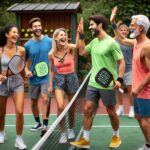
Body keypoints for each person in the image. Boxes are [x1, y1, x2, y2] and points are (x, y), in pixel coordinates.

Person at [70, 15, 125, 149]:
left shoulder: (112, 43)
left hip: (107, 84)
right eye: (89, 25)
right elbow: (82, 51)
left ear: (100, 25)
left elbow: (121, 62)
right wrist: (80, 34)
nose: (90, 27)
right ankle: (85, 140)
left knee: (111, 111)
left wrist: (119, 79)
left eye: (92, 25)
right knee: (88, 110)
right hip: (93, 83)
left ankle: (116, 136)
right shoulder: (94, 42)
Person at [110, 6, 150, 150]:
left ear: (141, 28)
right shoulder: (135, 43)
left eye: (133, 24)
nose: (130, 26)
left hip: (146, 92)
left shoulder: (147, 46)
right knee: (140, 118)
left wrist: (138, 88)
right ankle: (148, 144)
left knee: (146, 121)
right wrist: (113, 22)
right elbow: (121, 38)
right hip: (139, 92)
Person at [48, 28, 79, 143]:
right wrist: (50, 85)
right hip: (58, 79)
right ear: (55, 38)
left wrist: (79, 32)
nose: (64, 36)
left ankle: (71, 129)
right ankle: (63, 132)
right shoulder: (51, 54)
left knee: (72, 108)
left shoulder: (70, 48)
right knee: (60, 106)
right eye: (61, 35)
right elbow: (51, 70)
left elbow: (79, 46)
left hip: (72, 78)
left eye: (65, 35)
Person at [0, 25, 27, 149]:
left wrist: (26, 73)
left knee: (20, 112)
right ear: (7, 34)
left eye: (17, 32)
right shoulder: (0, 50)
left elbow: (22, 65)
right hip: (3, 84)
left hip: (17, 82)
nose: (16, 34)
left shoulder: (21, 50)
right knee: (1, 113)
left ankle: (19, 139)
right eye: (14, 32)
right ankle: (1, 133)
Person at [24, 17, 52, 136]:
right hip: (33, 77)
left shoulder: (50, 41)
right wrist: (26, 70)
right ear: (31, 29)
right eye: (35, 26)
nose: (38, 28)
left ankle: (45, 124)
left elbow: (56, 53)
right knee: (33, 100)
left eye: (39, 26)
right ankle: (38, 123)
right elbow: (24, 62)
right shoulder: (27, 45)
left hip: (46, 76)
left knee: (45, 98)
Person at [114, 23, 134, 118]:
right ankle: (121, 109)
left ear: (127, 31)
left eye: (124, 30)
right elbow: (110, 40)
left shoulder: (130, 42)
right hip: (118, 70)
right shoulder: (115, 41)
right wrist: (115, 26)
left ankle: (132, 109)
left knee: (131, 90)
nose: (123, 31)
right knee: (119, 90)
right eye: (121, 30)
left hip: (129, 68)